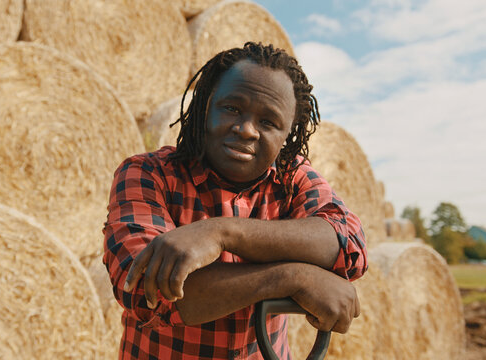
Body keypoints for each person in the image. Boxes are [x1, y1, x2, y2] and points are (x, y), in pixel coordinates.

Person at [102, 42, 367, 360]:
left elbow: (347, 242)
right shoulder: (147, 173)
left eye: (268, 122)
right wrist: (292, 277)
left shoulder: (290, 177)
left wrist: (221, 233)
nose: (246, 130)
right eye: (232, 109)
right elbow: (148, 292)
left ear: (288, 136)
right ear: (204, 107)